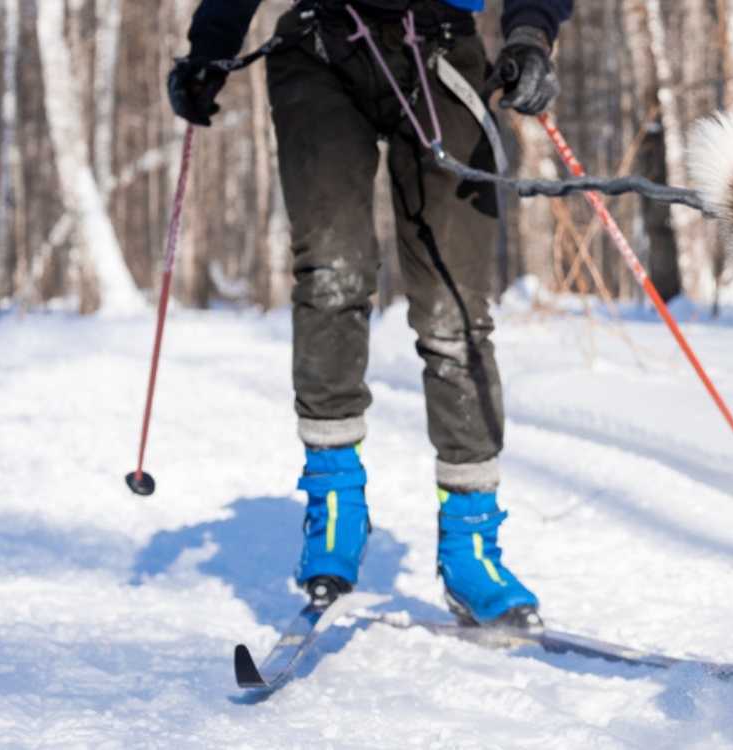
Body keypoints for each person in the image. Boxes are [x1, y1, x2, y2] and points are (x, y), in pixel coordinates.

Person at [166, 0, 573, 631]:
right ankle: (334, 504)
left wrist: (529, 34)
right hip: (322, 48)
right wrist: (211, 44)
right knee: (334, 274)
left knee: (454, 310)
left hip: (443, 54)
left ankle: (471, 542)